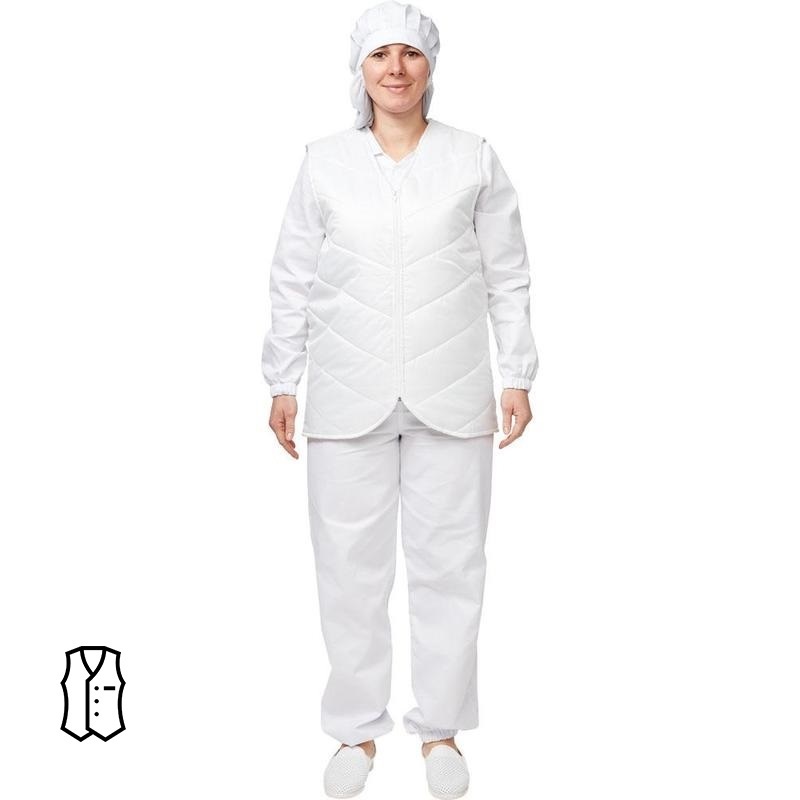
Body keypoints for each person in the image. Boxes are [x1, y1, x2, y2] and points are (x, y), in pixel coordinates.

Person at [261, 1, 539, 797]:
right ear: (360, 68)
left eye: (410, 54)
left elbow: (508, 273)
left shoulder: (473, 158)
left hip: (452, 392)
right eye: (381, 54)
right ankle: (355, 731)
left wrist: (517, 372)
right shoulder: (322, 163)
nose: (395, 68)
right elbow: (292, 276)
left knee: (452, 564)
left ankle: (441, 731)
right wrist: (282, 378)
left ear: (429, 66)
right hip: (345, 394)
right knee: (347, 570)